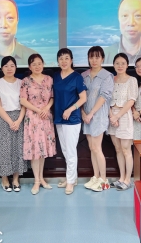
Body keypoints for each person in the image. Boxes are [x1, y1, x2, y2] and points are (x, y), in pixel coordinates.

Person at [20, 54, 56, 195]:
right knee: (35, 150)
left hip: (46, 117)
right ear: (29, 66)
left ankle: (41, 179)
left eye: (39, 63)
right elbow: (23, 100)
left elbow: (52, 97)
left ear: (43, 64)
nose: (37, 66)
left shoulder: (49, 79)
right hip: (33, 118)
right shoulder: (25, 81)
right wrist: (38, 110)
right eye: (34, 64)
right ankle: (36, 181)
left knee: (43, 149)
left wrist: (46, 108)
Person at [53, 48, 87, 195]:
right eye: (61, 58)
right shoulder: (55, 76)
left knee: (71, 151)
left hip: (72, 119)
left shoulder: (77, 77)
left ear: (71, 60)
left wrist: (70, 109)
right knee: (65, 150)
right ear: (58, 61)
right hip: (59, 118)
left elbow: (83, 98)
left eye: (66, 58)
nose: (64, 61)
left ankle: (70, 181)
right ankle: (72, 178)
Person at [0, 56, 28, 192]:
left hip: (19, 118)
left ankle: (16, 179)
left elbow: (24, 104)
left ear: (16, 67)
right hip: (3, 119)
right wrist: (10, 121)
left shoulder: (21, 83)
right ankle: (4, 179)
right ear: (2, 68)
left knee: (18, 148)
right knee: (4, 149)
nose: (9, 68)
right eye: (6, 66)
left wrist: (18, 121)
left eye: (12, 65)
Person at [81, 46, 114, 192]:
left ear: (102, 58)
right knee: (92, 148)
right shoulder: (83, 75)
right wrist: (83, 113)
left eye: (97, 57)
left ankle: (104, 180)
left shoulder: (107, 76)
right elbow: (80, 96)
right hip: (86, 116)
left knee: (97, 147)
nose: (94, 60)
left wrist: (91, 113)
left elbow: (104, 96)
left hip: (98, 116)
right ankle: (95, 177)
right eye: (91, 57)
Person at [108, 53, 138, 191]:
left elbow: (131, 100)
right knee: (118, 149)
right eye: (117, 63)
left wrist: (117, 116)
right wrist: (111, 116)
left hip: (124, 115)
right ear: (113, 65)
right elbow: (105, 99)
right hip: (111, 116)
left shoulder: (132, 80)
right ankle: (121, 178)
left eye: (123, 63)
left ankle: (127, 180)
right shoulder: (110, 79)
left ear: (127, 65)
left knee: (126, 149)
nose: (120, 66)